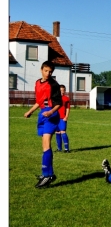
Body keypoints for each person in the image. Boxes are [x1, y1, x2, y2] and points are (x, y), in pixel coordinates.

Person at [24, 60, 62, 188]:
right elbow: (39, 101)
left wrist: (50, 112)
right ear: (41, 69)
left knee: (46, 145)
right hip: (42, 113)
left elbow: (58, 104)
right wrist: (30, 111)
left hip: (51, 115)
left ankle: (47, 175)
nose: (48, 73)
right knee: (44, 146)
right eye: (46, 71)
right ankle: (48, 174)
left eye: (50, 71)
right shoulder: (37, 83)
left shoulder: (54, 85)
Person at [55, 84, 71, 152]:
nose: (62, 91)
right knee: (57, 132)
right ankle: (59, 148)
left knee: (63, 131)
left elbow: (68, 108)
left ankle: (66, 148)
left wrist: (66, 116)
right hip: (56, 118)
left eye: (63, 90)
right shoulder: (55, 98)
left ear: (65, 91)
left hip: (62, 118)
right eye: (61, 90)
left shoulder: (66, 98)